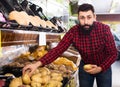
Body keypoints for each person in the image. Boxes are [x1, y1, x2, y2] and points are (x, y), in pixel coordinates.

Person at [23, 3, 117, 87]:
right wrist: (36, 64)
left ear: (94, 17)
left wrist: (101, 68)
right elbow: (58, 50)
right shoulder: (73, 31)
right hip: (85, 67)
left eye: (89, 17)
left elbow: (113, 53)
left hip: (104, 66)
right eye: (82, 18)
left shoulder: (104, 29)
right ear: (78, 18)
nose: (86, 22)